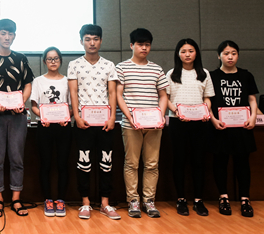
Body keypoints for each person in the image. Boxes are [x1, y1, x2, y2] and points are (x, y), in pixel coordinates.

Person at [0, 19, 33, 218]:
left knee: (17, 158)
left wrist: (22, 101)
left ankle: (16, 199)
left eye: (10, 34)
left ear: (14, 36)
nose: (7, 37)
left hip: (18, 115)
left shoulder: (21, 58)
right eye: (3, 33)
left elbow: (28, 84)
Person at [68, 24, 121, 220]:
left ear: (101, 41)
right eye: (88, 39)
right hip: (84, 122)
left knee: (106, 162)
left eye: (96, 39)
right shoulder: (74, 64)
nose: (92, 43)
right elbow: (73, 92)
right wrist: (77, 116)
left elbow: (112, 92)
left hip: (105, 122)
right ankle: (85, 203)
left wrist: (113, 117)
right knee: (84, 163)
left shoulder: (109, 65)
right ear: (81, 41)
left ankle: (105, 203)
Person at [116, 28, 168, 218]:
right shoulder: (121, 67)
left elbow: (163, 96)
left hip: (154, 125)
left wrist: (160, 115)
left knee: (152, 164)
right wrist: (129, 116)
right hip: (131, 124)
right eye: (140, 44)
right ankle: (133, 201)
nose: (144, 48)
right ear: (132, 45)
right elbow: (118, 95)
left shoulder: (157, 69)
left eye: (147, 45)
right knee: (131, 163)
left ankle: (149, 201)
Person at [208, 40, 258, 218]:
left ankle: (245, 199)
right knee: (220, 162)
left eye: (234, 53)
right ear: (219, 55)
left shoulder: (246, 75)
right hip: (220, 127)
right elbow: (207, 101)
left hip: (242, 127)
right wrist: (213, 119)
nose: (230, 57)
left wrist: (253, 117)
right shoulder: (212, 76)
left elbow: (252, 99)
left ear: (238, 55)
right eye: (226, 53)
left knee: (243, 163)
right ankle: (223, 197)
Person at [165, 38, 214, 217]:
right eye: (183, 51)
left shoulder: (204, 73)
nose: (187, 54)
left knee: (198, 161)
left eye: (191, 51)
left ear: (196, 53)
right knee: (179, 160)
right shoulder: (171, 74)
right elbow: (166, 99)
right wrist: (176, 111)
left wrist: (205, 110)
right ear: (178, 54)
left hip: (200, 123)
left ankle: (198, 200)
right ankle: (181, 199)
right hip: (178, 122)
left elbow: (207, 97)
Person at [30, 47, 72, 218]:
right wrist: (43, 116)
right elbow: (33, 106)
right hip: (45, 126)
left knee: (63, 164)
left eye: (56, 58)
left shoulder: (68, 81)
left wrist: (67, 116)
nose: (53, 61)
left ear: (60, 60)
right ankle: (47, 199)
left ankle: (61, 200)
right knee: (45, 164)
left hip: (63, 126)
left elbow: (72, 105)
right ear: (44, 62)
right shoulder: (38, 81)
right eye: (49, 59)